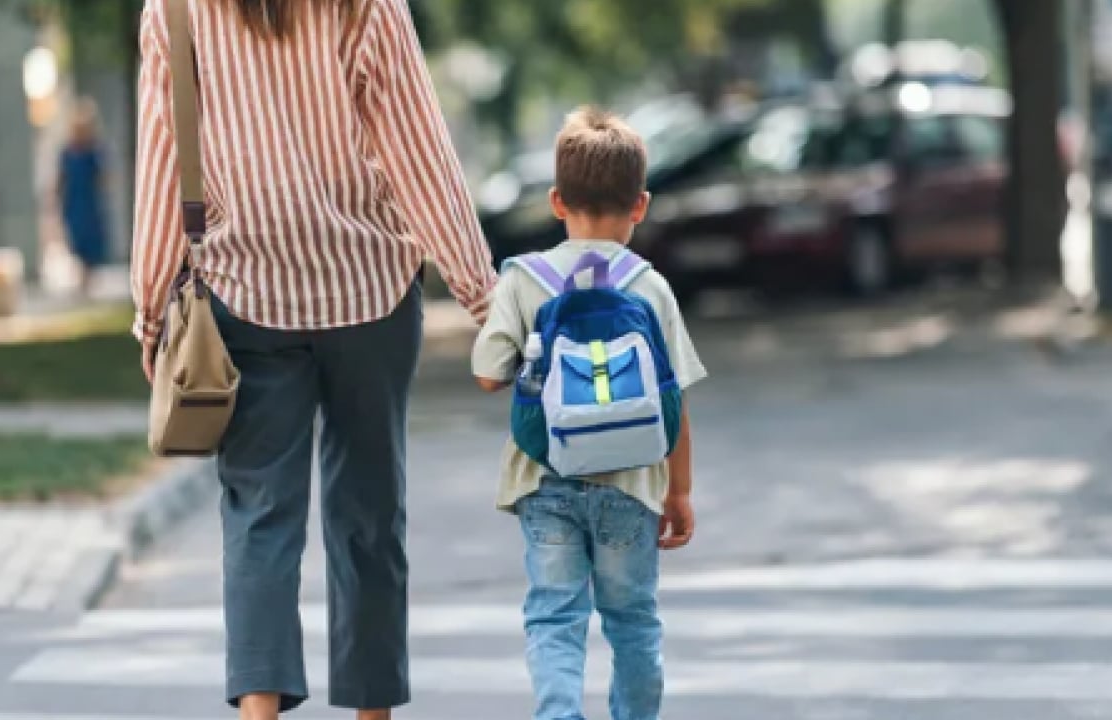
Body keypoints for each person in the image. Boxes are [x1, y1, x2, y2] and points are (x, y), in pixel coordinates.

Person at [130, 0, 496, 718]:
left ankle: (259, 714)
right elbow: (415, 144)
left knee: (259, 512)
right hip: (370, 287)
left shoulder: (174, 9)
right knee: (370, 509)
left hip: (245, 290)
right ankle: (372, 714)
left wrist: (150, 308)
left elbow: (163, 157)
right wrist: (480, 292)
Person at [472, 107, 706, 720]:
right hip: (631, 485)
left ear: (555, 201)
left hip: (544, 480)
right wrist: (678, 493)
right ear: (641, 205)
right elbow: (674, 401)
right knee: (633, 620)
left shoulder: (524, 280)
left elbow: (487, 376)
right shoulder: (650, 287)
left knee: (554, 614)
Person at [58, 99, 110, 297]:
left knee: (91, 239)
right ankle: (83, 276)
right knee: (77, 238)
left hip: (90, 202)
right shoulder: (67, 152)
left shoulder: (94, 151)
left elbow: (104, 176)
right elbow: (61, 178)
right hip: (74, 201)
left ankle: (87, 278)